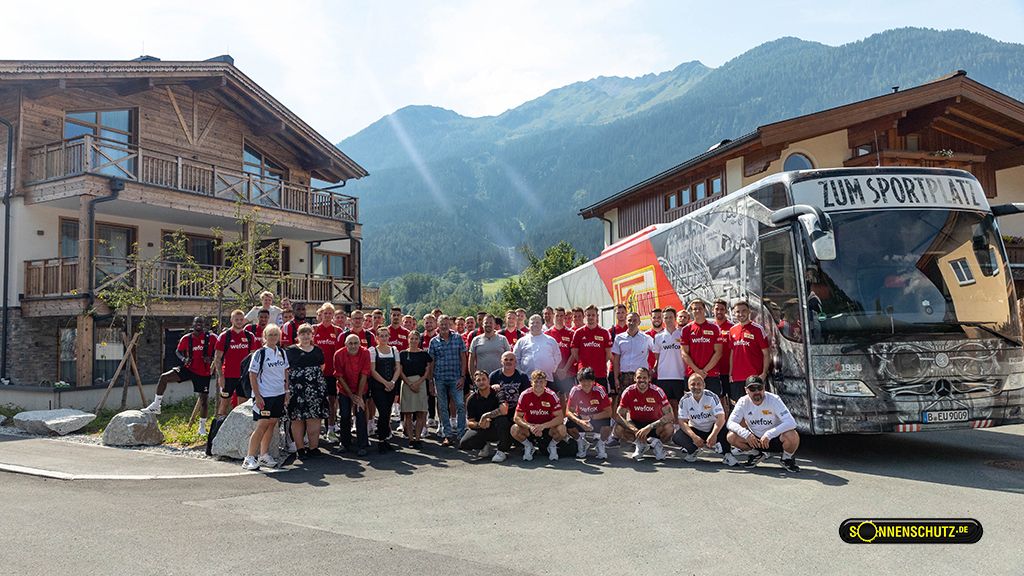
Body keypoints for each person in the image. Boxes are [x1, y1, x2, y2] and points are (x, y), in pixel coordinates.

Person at [142, 316, 216, 435]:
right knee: (164, 377)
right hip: (188, 368)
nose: (199, 325)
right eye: (197, 322)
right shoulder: (187, 338)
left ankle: (202, 427)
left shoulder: (211, 337)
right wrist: (183, 359)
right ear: (193, 324)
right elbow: (178, 351)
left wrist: (211, 358)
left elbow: (220, 348)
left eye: (201, 323)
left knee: (204, 400)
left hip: (203, 372)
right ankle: (156, 405)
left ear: (204, 325)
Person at [726, 376, 800, 472]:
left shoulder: (774, 399)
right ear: (746, 390)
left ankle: (787, 458)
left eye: (759, 388)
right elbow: (730, 423)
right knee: (731, 436)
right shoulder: (742, 401)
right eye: (752, 389)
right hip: (755, 440)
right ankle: (756, 455)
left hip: (775, 439)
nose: (757, 392)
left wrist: (769, 434)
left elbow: (791, 422)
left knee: (792, 435)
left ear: (764, 388)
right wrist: (746, 434)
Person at [242, 324, 289, 471]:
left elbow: (286, 371)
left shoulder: (282, 352)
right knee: (262, 425)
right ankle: (249, 457)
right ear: (265, 336)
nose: (273, 338)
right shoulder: (260, 353)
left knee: (272, 424)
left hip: (279, 394)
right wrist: (258, 396)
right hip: (265, 395)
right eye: (270, 335)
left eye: (276, 335)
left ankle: (263, 455)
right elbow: (252, 374)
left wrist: (286, 391)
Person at [672, 373, 737, 466]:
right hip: (696, 430)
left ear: (704, 385)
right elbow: (682, 421)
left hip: (712, 429)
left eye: (699, 384)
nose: (696, 387)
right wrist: (694, 437)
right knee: (677, 437)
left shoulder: (712, 396)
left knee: (725, 429)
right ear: (688, 386)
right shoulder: (684, 399)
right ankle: (693, 451)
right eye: (693, 384)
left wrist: (714, 435)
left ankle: (727, 454)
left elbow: (721, 417)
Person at [286, 324, 328, 458]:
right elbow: (285, 370)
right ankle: (300, 449)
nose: (305, 336)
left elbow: (322, 367)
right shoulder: (290, 350)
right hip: (296, 390)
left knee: (314, 419)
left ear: (312, 335)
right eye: (302, 334)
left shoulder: (318, 350)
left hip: (315, 390)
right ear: (297, 336)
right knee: (297, 420)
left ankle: (313, 447)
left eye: (308, 333)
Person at [614, 367, 673, 461]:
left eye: (644, 378)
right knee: (618, 428)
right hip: (636, 424)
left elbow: (670, 415)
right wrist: (633, 429)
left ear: (649, 379)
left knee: (669, 428)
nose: (642, 380)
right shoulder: (628, 392)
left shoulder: (657, 391)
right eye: (639, 377)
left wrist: (649, 426)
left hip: (654, 425)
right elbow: (618, 415)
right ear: (634, 379)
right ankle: (641, 444)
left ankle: (656, 443)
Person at [428, 315, 468, 446]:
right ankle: (448, 435)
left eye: (446, 324)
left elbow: (463, 358)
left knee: (460, 405)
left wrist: (463, 376)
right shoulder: (433, 342)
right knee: (443, 407)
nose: (444, 326)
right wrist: (430, 381)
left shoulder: (458, 338)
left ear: (450, 324)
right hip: (439, 379)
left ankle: (461, 434)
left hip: (456, 378)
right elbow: (431, 362)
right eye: (442, 324)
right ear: (438, 326)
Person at [511, 370, 568, 461]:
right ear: (531, 383)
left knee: (562, 429)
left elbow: (560, 418)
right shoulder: (525, 395)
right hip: (530, 428)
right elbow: (516, 417)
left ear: (545, 383)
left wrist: (542, 426)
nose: (538, 384)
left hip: (547, 428)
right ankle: (529, 446)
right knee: (514, 429)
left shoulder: (552, 395)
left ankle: (552, 446)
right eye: (536, 381)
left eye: (541, 381)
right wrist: (530, 427)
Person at [213, 310, 260, 417]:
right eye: (236, 319)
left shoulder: (249, 336)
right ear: (231, 320)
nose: (239, 322)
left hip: (244, 376)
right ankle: (219, 429)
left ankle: (237, 430)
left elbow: (253, 358)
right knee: (224, 404)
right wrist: (221, 376)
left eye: (241, 319)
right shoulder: (225, 336)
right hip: (228, 375)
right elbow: (217, 358)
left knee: (242, 406)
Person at [459, 370, 513, 462]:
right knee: (464, 443)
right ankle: (484, 446)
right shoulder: (471, 399)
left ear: (488, 380)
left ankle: (501, 451)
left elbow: (504, 410)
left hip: (497, 427)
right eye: (478, 380)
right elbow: (470, 422)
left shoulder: (498, 392)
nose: (481, 382)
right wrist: (479, 424)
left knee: (503, 420)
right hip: (483, 427)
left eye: (484, 379)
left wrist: (486, 416)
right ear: (475, 383)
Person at [727, 300, 771, 407]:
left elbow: (766, 353)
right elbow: (732, 353)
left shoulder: (757, 329)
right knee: (739, 408)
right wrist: (730, 373)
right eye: (738, 312)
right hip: (737, 378)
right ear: (734, 313)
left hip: (754, 377)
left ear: (749, 312)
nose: (741, 314)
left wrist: (764, 373)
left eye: (744, 311)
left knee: (759, 407)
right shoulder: (732, 330)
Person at [333, 334, 370, 456]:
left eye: (356, 343)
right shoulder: (338, 354)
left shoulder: (365, 353)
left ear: (360, 344)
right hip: (344, 389)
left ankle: (362, 444)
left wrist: (358, 397)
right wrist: (350, 395)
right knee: (344, 415)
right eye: (350, 343)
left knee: (360, 414)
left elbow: (364, 374)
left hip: (361, 388)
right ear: (345, 344)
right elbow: (339, 376)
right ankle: (344, 443)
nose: (353, 346)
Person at [680, 299, 725, 399]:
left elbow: (718, 352)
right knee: (692, 407)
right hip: (692, 375)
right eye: (694, 309)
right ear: (691, 311)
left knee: (714, 406)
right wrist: (697, 371)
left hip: (711, 375)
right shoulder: (686, 329)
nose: (697, 311)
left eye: (699, 308)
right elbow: (684, 353)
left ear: (704, 310)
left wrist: (704, 371)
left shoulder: (714, 328)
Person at [565, 367, 613, 459]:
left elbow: (609, 412)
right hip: (581, 418)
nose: (586, 384)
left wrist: (591, 417)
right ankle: (581, 443)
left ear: (593, 381)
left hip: (596, 417)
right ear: (579, 381)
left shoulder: (600, 390)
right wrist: (580, 422)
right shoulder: (575, 390)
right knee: (568, 424)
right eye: (583, 381)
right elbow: (568, 411)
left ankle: (600, 444)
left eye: (589, 381)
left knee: (608, 424)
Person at [369, 326, 403, 453]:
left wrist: (393, 382)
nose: (384, 338)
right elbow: (372, 370)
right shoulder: (373, 351)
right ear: (376, 338)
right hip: (378, 387)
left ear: (389, 337)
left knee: (387, 412)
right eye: (381, 336)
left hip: (391, 386)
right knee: (383, 412)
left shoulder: (394, 350)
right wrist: (385, 382)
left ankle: (384, 439)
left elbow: (398, 368)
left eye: (386, 335)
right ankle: (381, 440)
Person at [312, 303, 342, 443]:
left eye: (331, 313)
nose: (328, 316)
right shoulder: (314, 329)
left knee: (331, 402)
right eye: (325, 313)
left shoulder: (337, 331)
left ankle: (331, 429)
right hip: (316, 373)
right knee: (315, 402)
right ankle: (313, 432)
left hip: (332, 373)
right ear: (320, 314)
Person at [399, 331, 432, 448]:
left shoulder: (424, 354)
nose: (413, 341)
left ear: (419, 340)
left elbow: (427, 371)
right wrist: (409, 383)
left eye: (416, 338)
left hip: (421, 383)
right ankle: (411, 439)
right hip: (407, 384)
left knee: (420, 413)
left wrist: (418, 383)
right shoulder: (402, 354)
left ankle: (418, 438)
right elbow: (400, 370)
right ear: (408, 339)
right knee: (407, 413)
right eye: (411, 338)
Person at [611, 312, 657, 397]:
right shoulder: (619, 338)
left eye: (635, 320)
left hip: (641, 377)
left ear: (639, 322)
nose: (632, 322)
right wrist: (616, 378)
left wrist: (653, 370)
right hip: (624, 377)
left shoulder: (646, 338)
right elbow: (616, 359)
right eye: (629, 320)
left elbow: (657, 353)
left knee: (642, 402)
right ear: (626, 322)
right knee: (624, 404)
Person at [568, 305, 613, 391]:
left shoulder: (604, 332)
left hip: (600, 373)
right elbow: (574, 353)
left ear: (597, 316)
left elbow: (608, 354)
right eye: (588, 315)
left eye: (593, 315)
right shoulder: (578, 333)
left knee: (601, 401)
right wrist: (583, 362)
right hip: (583, 374)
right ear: (585, 317)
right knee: (582, 402)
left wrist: (600, 362)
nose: (591, 317)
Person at [652, 306, 686, 417]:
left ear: (675, 318)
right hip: (663, 376)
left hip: (679, 375)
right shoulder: (658, 337)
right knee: (666, 404)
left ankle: (679, 425)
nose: (668, 320)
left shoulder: (682, 334)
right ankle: (670, 426)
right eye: (666, 317)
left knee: (680, 404)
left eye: (670, 317)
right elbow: (657, 357)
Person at [513, 314, 562, 390]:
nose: (535, 324)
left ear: (542, 324)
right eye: (532, 323)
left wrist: (552, 368)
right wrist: (521, 373)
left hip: (547, 379)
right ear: (528, 325)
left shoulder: (550, 340)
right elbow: (515, 358)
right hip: (527, 379)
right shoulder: (521, 341)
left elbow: (558, 356)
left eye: (538, 322)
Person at [545, 307, 576, 399]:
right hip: (552, 373)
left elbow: (573, 354)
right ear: (553, 316)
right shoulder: (547, 333)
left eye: (561, 316)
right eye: (557, 315)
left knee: (569, 399)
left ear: (564, 317)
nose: (559, 318)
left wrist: (564, 370)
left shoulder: (571, 333)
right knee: (553, 398)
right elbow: (547, 354)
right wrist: (555, 369)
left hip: (568, 372)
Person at [490, 351, 530, 418]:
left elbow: (527, 396)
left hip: (518, 411)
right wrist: (491, 388)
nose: (508, 361)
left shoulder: (523, 376)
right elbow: (486, 394)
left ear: (515, 362)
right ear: (501, 361)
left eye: (511, 360)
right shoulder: (494, 376)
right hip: (499, 411)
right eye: (506, 359)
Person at [712, 298, 734, 410]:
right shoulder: (710, 328)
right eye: (717, 309)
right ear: (713, 310)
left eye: (722, 309)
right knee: (717, 402)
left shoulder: (732, 327)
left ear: (726, 311)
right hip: (714, 371)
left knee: (732, 401)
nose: (719, 311)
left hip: (729, 371)